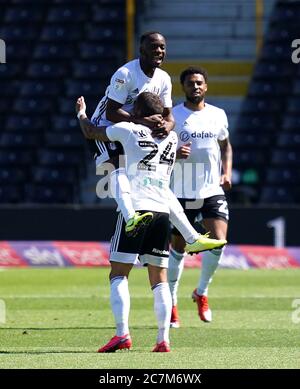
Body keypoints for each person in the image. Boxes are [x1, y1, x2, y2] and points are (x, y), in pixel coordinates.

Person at [76, 92, 226, 352]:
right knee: (159, 279)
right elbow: (165, 129)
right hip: (162, 212)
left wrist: (81, 113)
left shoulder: (129, 130)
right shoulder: (171, 137)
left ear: (136, 111)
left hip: (137, 207)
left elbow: (91, 132)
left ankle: (122, 334)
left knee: (118, 274)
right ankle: (163, 339)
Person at [82, 31, 226, 253]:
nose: (159, 51)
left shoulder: (164, 78)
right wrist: (142, 122)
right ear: (142, 50)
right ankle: (130, 217)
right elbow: (111, 113)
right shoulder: (126, 74)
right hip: (107, 129)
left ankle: (192, 237)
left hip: (137, 129)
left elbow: (169, 117)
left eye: (162, 47)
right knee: (116, 166)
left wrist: (166, 128)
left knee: (158, 181)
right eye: (154, 47)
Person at [168, 67, 232, 328]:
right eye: (191, 83)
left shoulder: (218, 115)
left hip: (210, 190)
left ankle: (201, 292)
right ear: (183, 87)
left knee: (218, 242)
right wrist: (174, 152)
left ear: (206, 87)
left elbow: (226, 146)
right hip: (180, 192)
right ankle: (171, 304)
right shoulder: (172, 115)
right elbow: (158, 150)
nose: (195, 87)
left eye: (199, 83)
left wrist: (226, 172)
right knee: (178, 249)